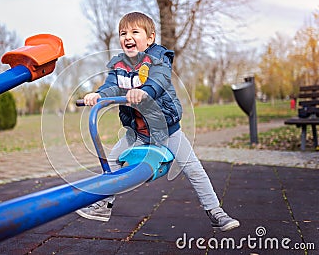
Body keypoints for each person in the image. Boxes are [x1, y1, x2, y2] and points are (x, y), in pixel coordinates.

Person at [76, 12, 240, 232]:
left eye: (135, 32)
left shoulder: (159, 58)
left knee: (193, 167)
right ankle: (105, 204)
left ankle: (215, 211)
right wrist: (98, 95)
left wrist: (143, 91)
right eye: (123, 33)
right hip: (138, 133)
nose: (128, 37)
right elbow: (111, 85)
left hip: (167, 130)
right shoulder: (119, 65)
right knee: (112, 160)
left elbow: (159, 80)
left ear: (150, 38)